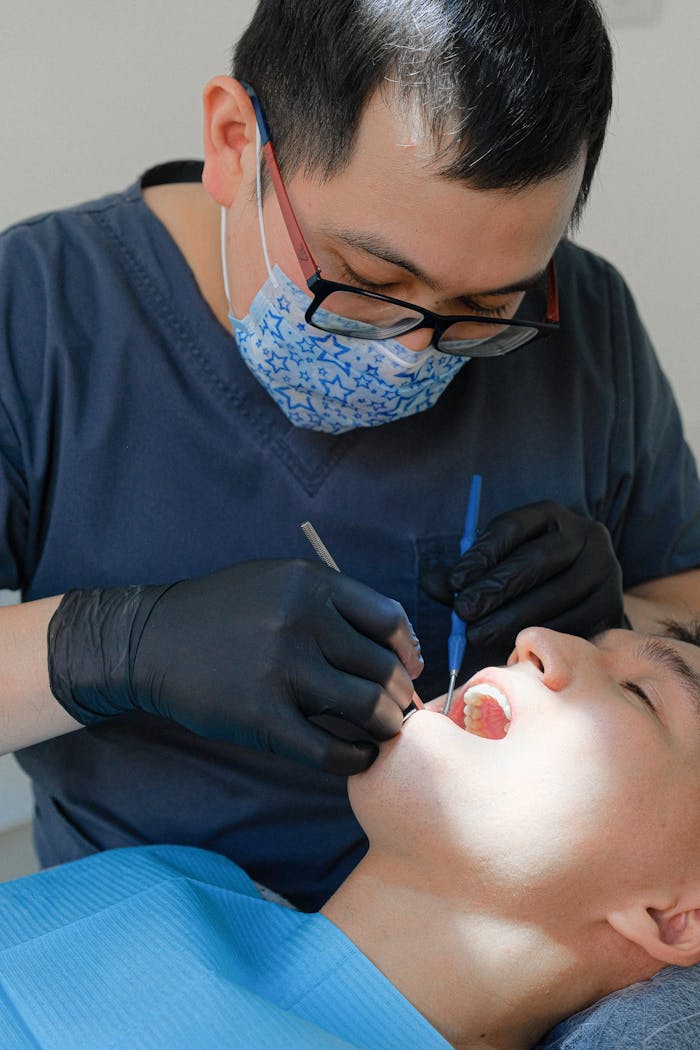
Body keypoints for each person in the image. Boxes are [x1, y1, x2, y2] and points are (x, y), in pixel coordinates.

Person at [1, 0, 699, 933]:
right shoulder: (40, 313)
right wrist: (112, 645)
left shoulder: (586, 318)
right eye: (367, 283)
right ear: (235, 143)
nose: (413, 353)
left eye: (485, 310)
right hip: (157, 936)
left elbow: (685, 606)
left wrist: (620, 628)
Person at [1, 623, 700, 1049]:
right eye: (600, 642)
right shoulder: (164, 882)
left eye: (641, 692)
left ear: (677, 916)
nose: (536, 639)